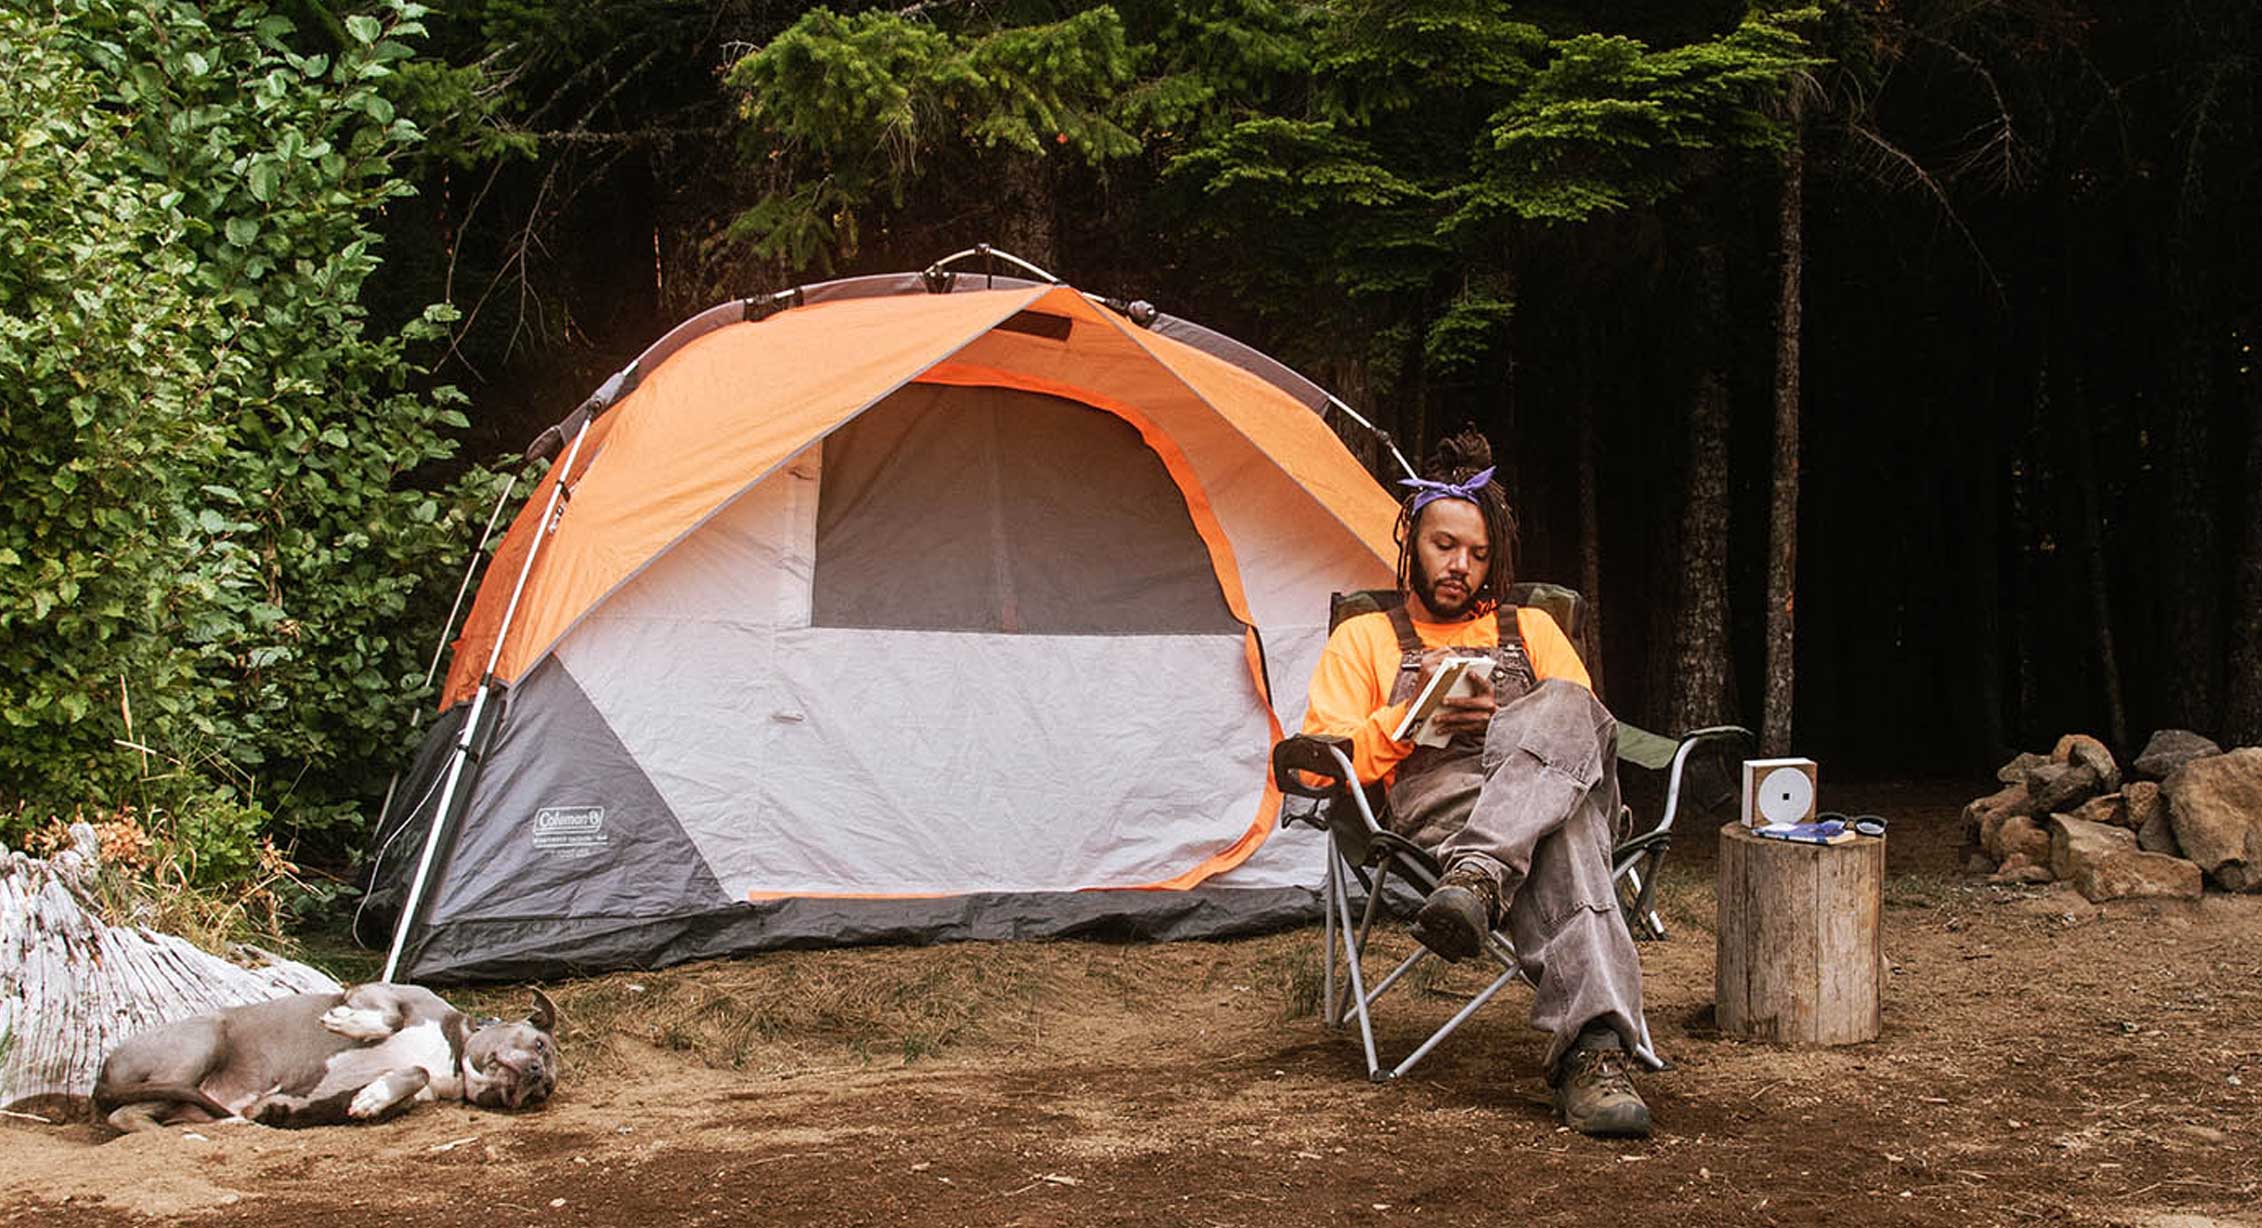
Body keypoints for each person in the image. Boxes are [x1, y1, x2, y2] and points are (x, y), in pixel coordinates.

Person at [1299, 429, 1655, 1138]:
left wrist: (1510, 714)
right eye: (1444, 546)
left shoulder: (1533, 629)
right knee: (1573, 830)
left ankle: (1482, 877)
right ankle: (1595, 1058)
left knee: (1562, 709)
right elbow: (1317, 759)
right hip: (1442, 803)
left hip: (1516, 820)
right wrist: (1411, 717)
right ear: (1411, 544)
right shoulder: (1365, 637)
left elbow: (1583, 729)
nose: (1461, 565)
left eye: (1479, 553)